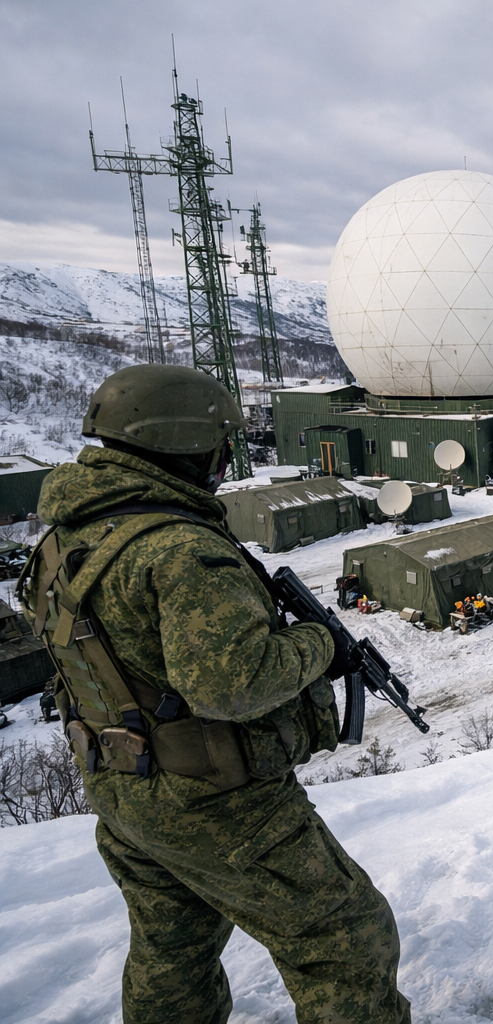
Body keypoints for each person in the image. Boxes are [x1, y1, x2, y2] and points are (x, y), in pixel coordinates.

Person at [21, 364, 411, 1024]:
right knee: (344, 940)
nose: (227, 460)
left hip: (123, 786)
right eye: (222, 445)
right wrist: (319, 644)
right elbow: (236, 684)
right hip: (218, 802)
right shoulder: (179, 550)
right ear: (189, 444)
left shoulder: (69, 537)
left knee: (171, 950)